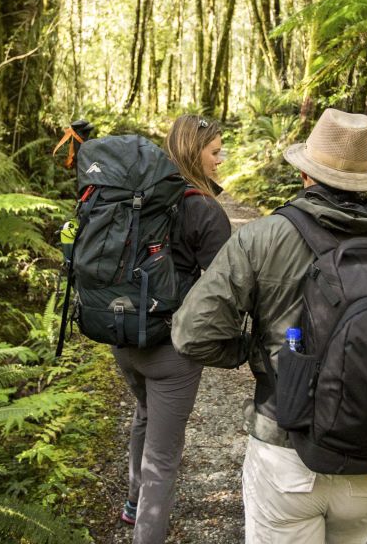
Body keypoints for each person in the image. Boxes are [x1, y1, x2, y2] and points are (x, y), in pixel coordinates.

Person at [172, 108, 367, 544]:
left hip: (285, 449)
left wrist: (253, 351)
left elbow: (192, 334)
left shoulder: (261, 237)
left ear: (306, 175)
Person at [113, 114, 231, 544]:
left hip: (122, 334)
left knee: (144, 413)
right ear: (192, 151)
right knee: (163, 459)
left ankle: (132, 501)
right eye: (215, 151)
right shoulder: (203, 208)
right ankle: (147, 531)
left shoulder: (133, 197)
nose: (221, 159)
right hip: (170, 350)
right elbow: (223, 289)